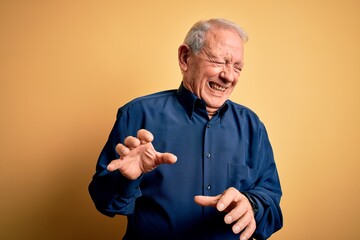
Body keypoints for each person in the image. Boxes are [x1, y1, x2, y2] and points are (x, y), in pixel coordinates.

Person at [89, 18, 283, 240]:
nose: (228, 76)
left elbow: (272, 206)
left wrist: (252, 206)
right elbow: (103, 202)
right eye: (219, 61)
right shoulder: (137, 114)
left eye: (237, 67)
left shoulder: (253, 127)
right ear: (185, 58)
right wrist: (126, 180)